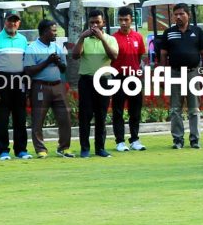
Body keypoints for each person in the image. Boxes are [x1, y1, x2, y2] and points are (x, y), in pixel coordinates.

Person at [157, 3, 203, 149]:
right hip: (174, 73)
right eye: (176, 14)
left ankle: (195, 139)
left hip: (193, 73)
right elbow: (163, 56)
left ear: (188, 15)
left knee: (194, 108)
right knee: (175, 109)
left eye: (181, 14)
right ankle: (178, 139)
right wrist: (163, 75)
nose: (178, 17)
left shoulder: (197, 32)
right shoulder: (168, 32)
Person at [69, 11, 118, 158]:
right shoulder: (85, 39)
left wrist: (102, 39)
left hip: (103, 79)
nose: (94, 25)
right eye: (92, 23)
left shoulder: (110, 39)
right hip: (86, 81)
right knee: (85, 115)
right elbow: (75, 55)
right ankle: (85, 148)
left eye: (97, 22)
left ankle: (100, 148)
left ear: (103, 23)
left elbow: (113, 56)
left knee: (101, 115)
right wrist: (82, 38)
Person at [0, 12, 32, 160]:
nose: (13, 24)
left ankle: (21, 150)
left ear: (19, 23)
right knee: (2, 118)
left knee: (20, 116)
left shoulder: (23, 40)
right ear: (5, 22)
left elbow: (25, 63)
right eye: (10, 21)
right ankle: (3, 150)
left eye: (16, 21)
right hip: (1, 80)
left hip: (19, 80)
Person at [24, 18, 74, 158]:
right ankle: (41, 149)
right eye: (53, 31)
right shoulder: (32, 48)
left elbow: (64, 69)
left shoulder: (56, 47)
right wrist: (48, 61)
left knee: (65, 117)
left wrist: (58, 62)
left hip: (58, 86)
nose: (55, 33)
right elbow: (29, 71)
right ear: (45, 32)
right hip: (40, 87)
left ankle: (64, 148)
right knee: (38, 118)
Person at [110, 8, 148, 152]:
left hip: (134, 77)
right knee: (118, 111)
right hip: (118, 77)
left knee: (135, 110)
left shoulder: (138, 37)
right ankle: (120, 141)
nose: (123, 23)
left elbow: (139, 57)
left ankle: (135, 139)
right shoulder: (113, 38)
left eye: (126, 19)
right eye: (120, 20)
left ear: (131, 19)